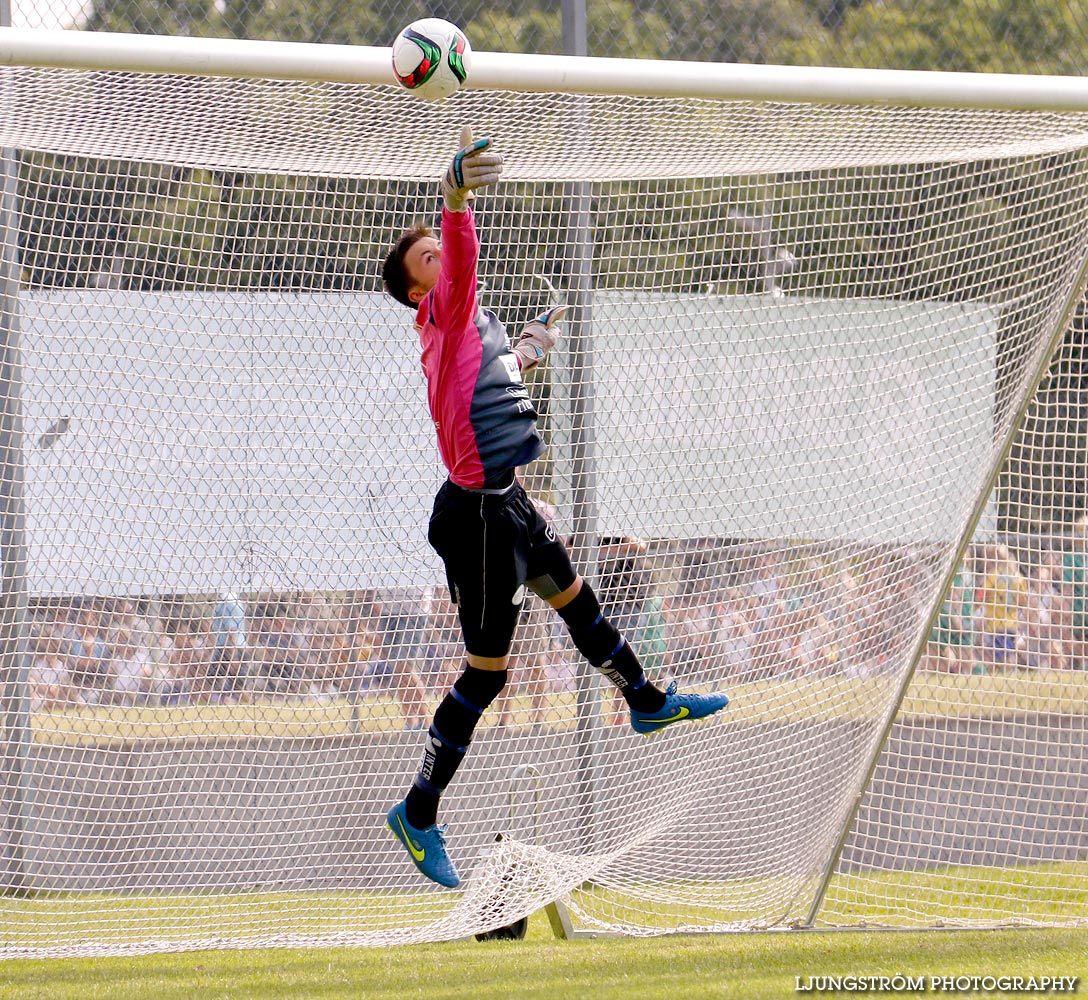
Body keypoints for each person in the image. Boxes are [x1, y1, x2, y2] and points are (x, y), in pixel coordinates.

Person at [380, 127, 730, 889]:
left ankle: (645, 699)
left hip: (507, 502)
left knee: (575, 596)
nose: (439, 260)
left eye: (436, 250)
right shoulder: (441, 316)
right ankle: (418, 811)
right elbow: (463, 261)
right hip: (473, 518)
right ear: (417, 293)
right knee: (487, 674)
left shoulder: (471, 329)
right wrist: (455, 201)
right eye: (427, 261)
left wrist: (535, 344)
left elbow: (503, 370)